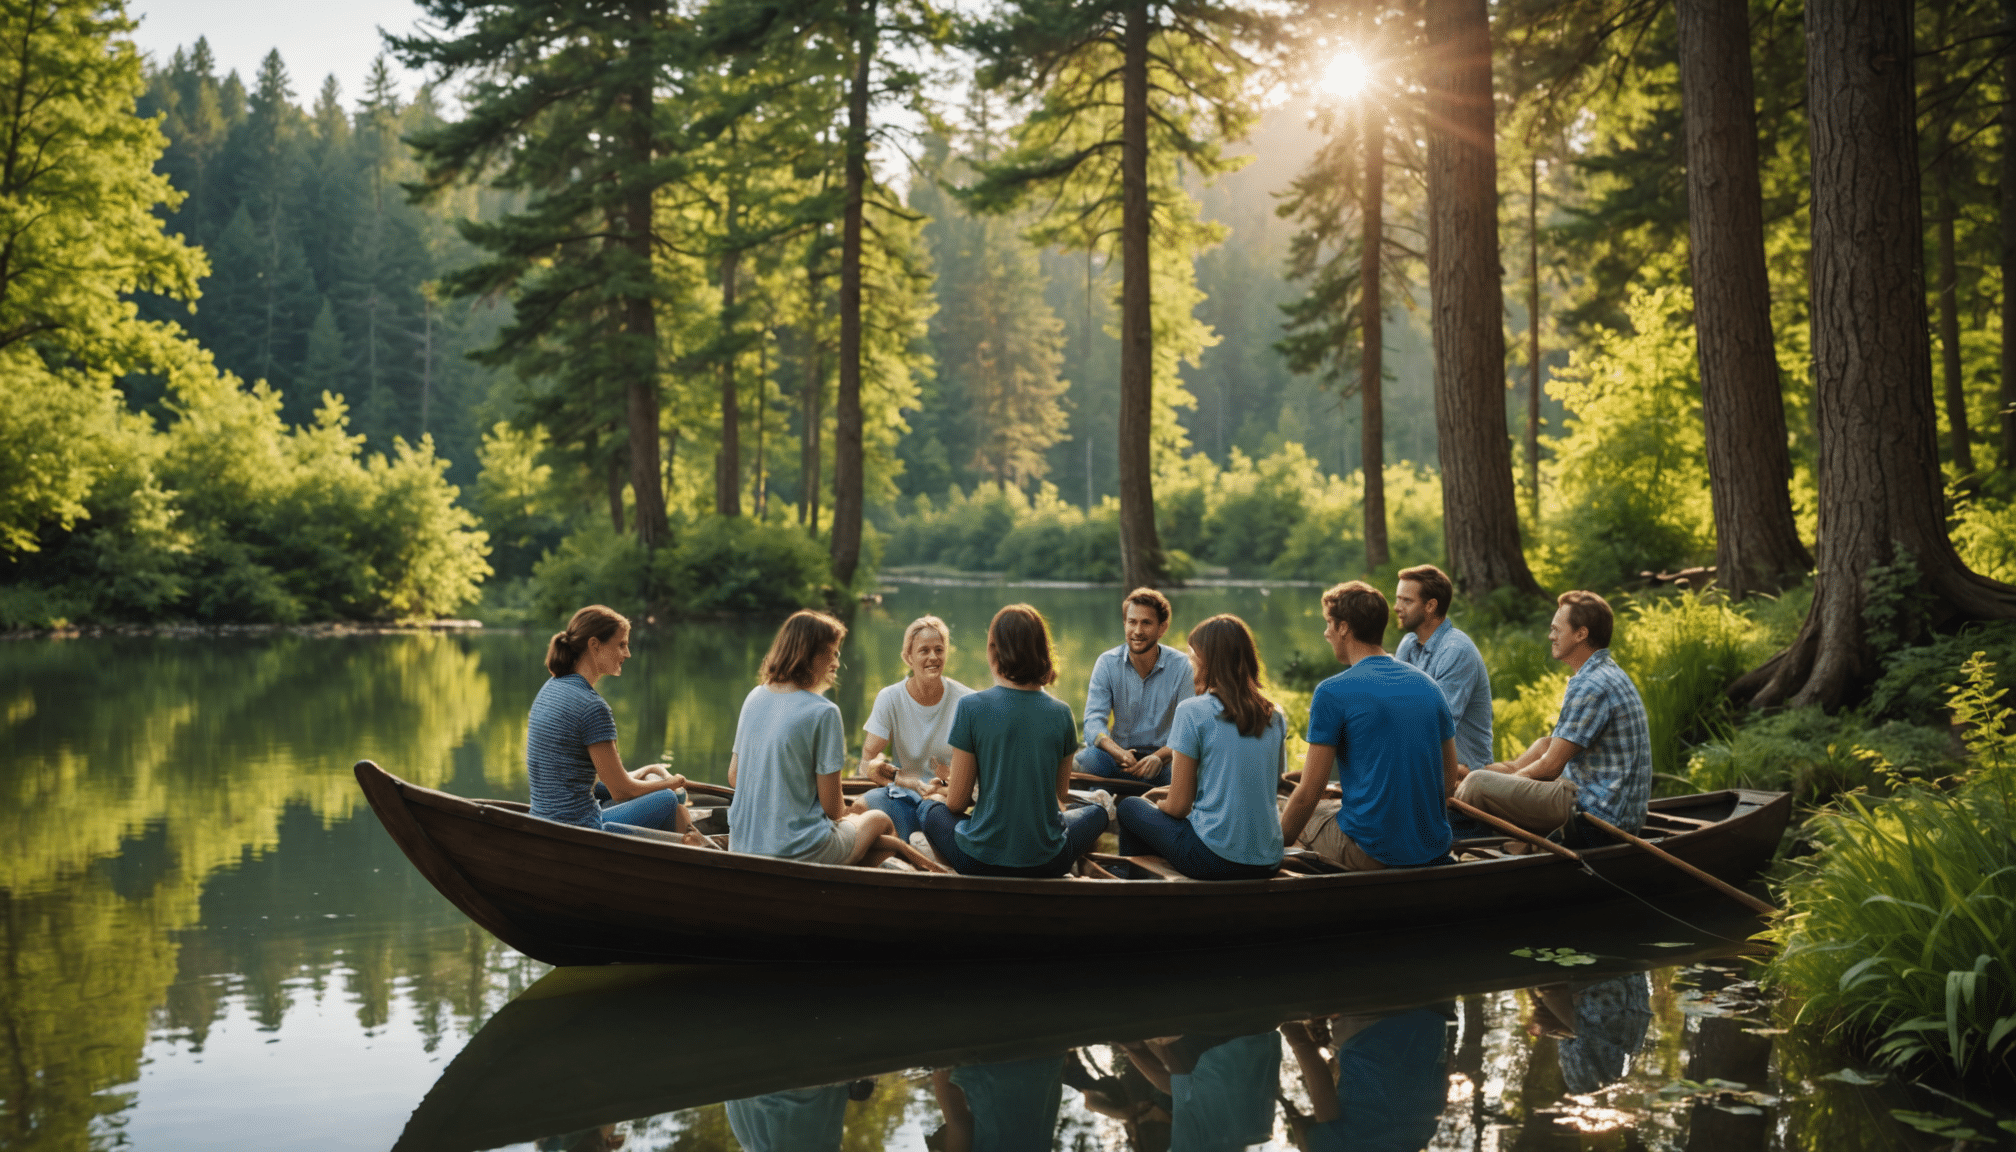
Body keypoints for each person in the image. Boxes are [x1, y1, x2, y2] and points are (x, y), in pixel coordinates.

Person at [916, 604, 1110, 877]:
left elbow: (957, 804)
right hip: (1048, 862)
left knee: (928, 807)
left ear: (994, 649)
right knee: (1099, 812)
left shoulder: (970, 707)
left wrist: (942, 792)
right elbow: (1059, 796)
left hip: (978, 861)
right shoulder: (1062, 713)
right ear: (1042, 650)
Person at [1279, 582, 1459, 871]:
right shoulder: (1430, 686)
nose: (1326, 633)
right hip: (1432, 848)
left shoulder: (1331, 692)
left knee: (1290, 809)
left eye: (1329, 623)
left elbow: (1309, 793)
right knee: (1329, 808)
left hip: (1373, 853)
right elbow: (1449, 781)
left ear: (1344, 628)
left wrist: (1273, 848)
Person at [1452, 590, 1653, 844]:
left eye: (1557, 630)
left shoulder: (1592, 684)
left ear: (1581, 634)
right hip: (1611, 808)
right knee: (1535, 749)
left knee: (1478, 785)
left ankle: (1454, 851)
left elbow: (1551, 767)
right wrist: (1502, 775)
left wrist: (1502, 786)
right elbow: (1556, 748)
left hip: (1597, 818)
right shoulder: (1605, 672)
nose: (1550, 636)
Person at [1115, 614, 1285, 881]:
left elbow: (1179, 806)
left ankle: (1137, 895)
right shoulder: (1275, 716)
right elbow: (1267, 786)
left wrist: (1159, 803)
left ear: (1208, 663)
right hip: (1270, 859)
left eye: (1192, 658)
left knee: (1130, 808)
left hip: (1213, 859)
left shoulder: (1192, 711)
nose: (1189, 667)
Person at [726, 610, 896, 866]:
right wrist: (849, 815)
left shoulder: (754, 696)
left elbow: (735, 777)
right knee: (878, 820)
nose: (837, 663)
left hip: (741, 844)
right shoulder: (824, 712)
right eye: (834, 652)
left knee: (856, 821)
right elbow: (833, 809)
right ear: (811, 654)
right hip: (797, 850)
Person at [528, 604, 696, 838]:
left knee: (662, 792)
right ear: (595, 645)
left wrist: (646, 771)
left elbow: (594, 780)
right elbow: (621, 791)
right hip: (581, 830)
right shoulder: (592, 707)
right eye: (622, 645)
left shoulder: (551, 688)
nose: (627, 654)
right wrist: (674, 782)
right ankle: (684, 861)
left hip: (543, 821)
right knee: (669, 799)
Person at [856, 615, 976, 843]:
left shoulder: (967, 701)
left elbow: (978, 772)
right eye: (924, 650)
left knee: (928, 826)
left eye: (939, 650)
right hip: (901, 794)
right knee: (860, 808)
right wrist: (887, 772)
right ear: (908, 658)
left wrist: (944, 789)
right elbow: (867, 762)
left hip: (948, 801)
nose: (933, 657)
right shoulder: (889, 698)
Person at [1280, 1007, 1455, 1152]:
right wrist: (1290, 1031)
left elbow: (1444, 1072)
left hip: (1430, 1021)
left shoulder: (1420, 1137)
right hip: (1370, 1028)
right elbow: (1315, 1069)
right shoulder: (1334, 1149)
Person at [1076, 588, 1195, 788]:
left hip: (1163, 763)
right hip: (1118, 759)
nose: (1137, 631)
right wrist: (1117, 752)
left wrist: (1159, 757)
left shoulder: (1182, 666)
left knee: (1188, 770)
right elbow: (1093, 721)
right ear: (1125, 624)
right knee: (1088, 759)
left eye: (1146, 623)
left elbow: (1188, 730)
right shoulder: (1107, 663)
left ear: (1162, 628)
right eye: (1132, 622)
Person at [1393, 564, 1493, 774]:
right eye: (1398, 599)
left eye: (1406, 601)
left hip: (1464, 774)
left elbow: (1436, 727)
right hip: (1420, 765)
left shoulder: (1456, 650)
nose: (1396, 607)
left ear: (1430, 606)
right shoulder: (1409, 644)